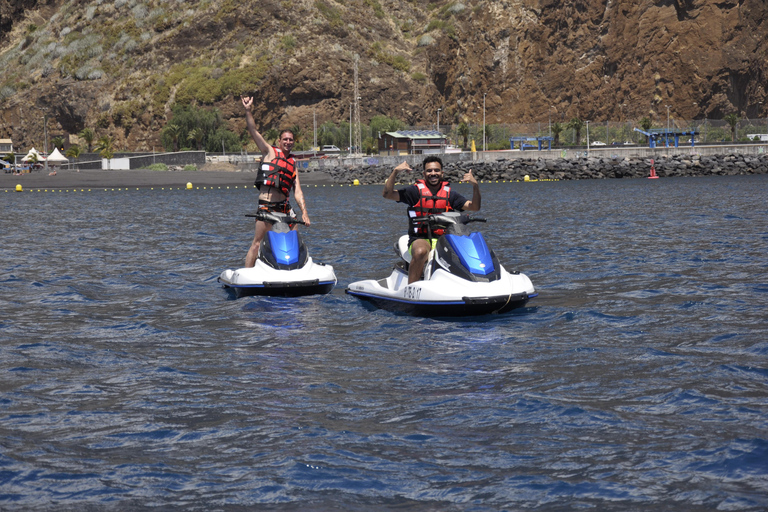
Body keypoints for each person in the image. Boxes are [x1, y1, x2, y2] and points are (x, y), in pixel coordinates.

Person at [383, 156, 480, 284]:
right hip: (421, 239)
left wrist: (475, 186)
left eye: (436, 170)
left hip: (446, 238)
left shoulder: (450, 195)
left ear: (442, 173)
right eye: (429, 171)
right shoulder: (415, 192)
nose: (433, 173)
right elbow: (387, 194)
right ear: (424, 174)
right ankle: (412, 288)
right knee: (421, 251)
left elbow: (474, 207)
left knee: (469, 250)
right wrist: (395, 172)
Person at [241, 95, 311, 268]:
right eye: (285, 139)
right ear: (279, 141)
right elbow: (253, 130)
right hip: (266, 207)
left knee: (295, 240)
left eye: (291, 140)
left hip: (285, 208)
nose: (288, 142)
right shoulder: (269, 152)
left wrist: (305, 212)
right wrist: (248, 110)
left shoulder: (293, 164)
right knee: (257, 243)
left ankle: (295, 270)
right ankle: (247, 274)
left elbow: (298, 191)